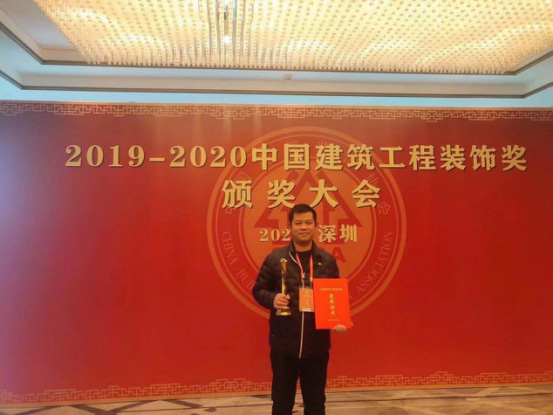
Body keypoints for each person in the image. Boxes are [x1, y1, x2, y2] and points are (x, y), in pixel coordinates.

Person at [252, 203, 348, 415]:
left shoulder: (327, 261)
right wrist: (273, 298)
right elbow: (258, 290)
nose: (303, 227)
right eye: (298, 223)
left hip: (317, 346)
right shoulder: (275, 259)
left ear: (316, 226)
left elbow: (335, 297)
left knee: (315, 404)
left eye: (308, 222)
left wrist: (338, 320)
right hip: (284, 345)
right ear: (290, 226)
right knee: (281, 403)